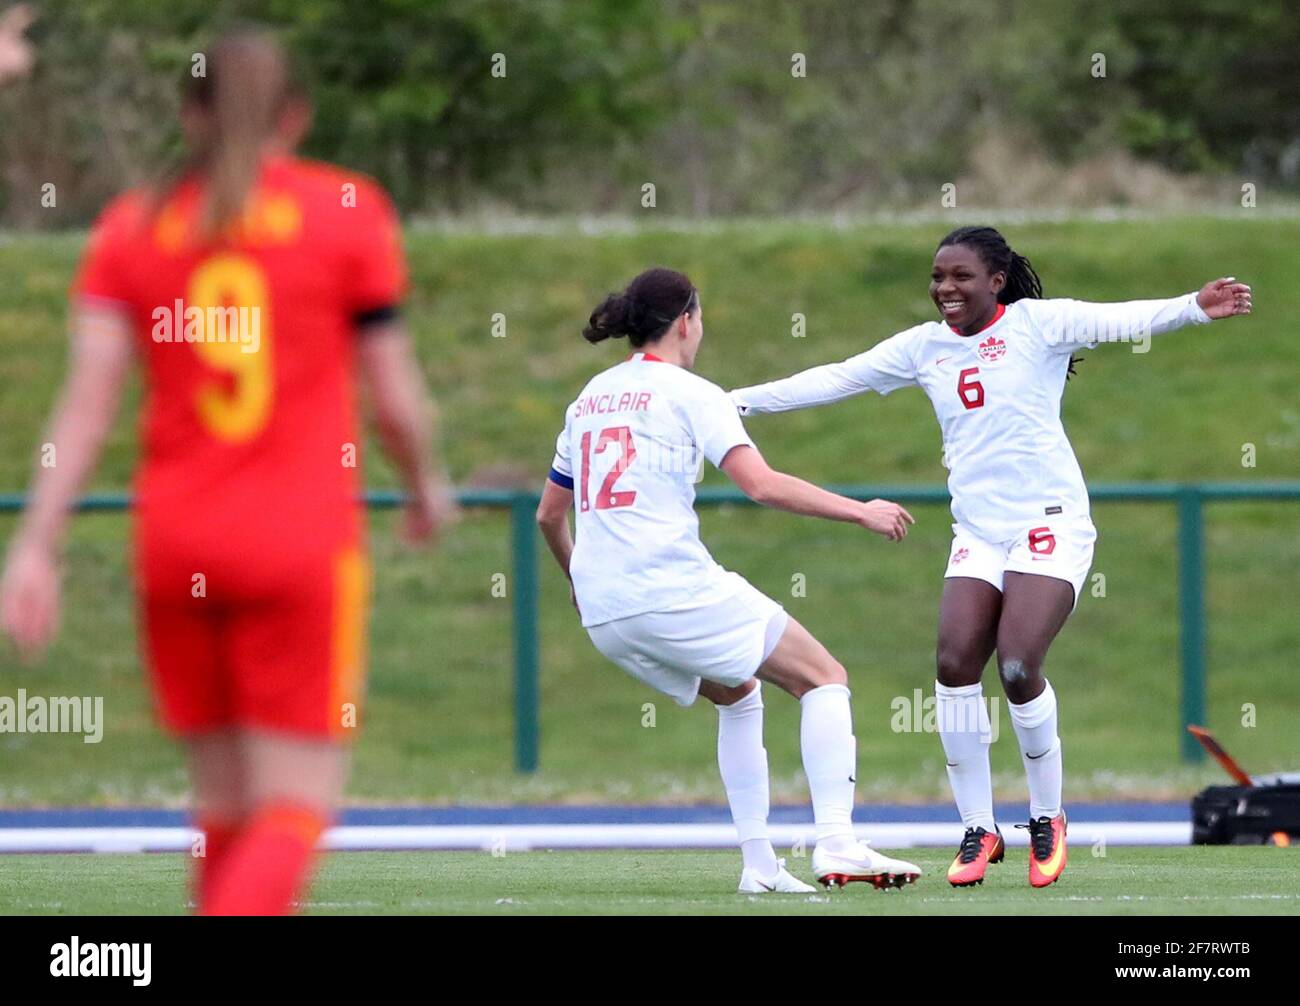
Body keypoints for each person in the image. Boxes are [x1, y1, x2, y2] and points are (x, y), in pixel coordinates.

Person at [0, 31, 455, 914]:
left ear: (188, 114)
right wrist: (425, 486)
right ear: (297, 116)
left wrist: (36, 545)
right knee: (293, 806)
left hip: (174, 544)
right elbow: (394, 397)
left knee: (224, 808)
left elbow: (85, 407)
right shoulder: (346, 212)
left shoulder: (132, 226)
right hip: (296, 543)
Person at [730, 226, 1251, 888]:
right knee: (953, 664)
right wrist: (731, 403)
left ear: (996, 281)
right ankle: (979, 828)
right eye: (938, 277)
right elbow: (835, 378)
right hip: (978, 531)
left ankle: (1047, 817)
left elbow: (1122, 320)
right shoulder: (923, 348)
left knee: (1016, 663)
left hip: (1050, 525)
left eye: (961, 277)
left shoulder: (1039, 325)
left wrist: (1192, 306)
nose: (946, 288)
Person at [535, 266, 922, 892]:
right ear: (686, 321)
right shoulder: (695, 393)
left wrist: (580, 582)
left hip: (605, 611)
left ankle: (760, 866)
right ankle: (837, 843)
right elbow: (761, 485)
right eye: (701, 317)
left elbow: (549, 515)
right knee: (824, 678)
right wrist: (862, 510)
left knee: (740, 692)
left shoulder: (588, 398)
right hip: (666, 588)